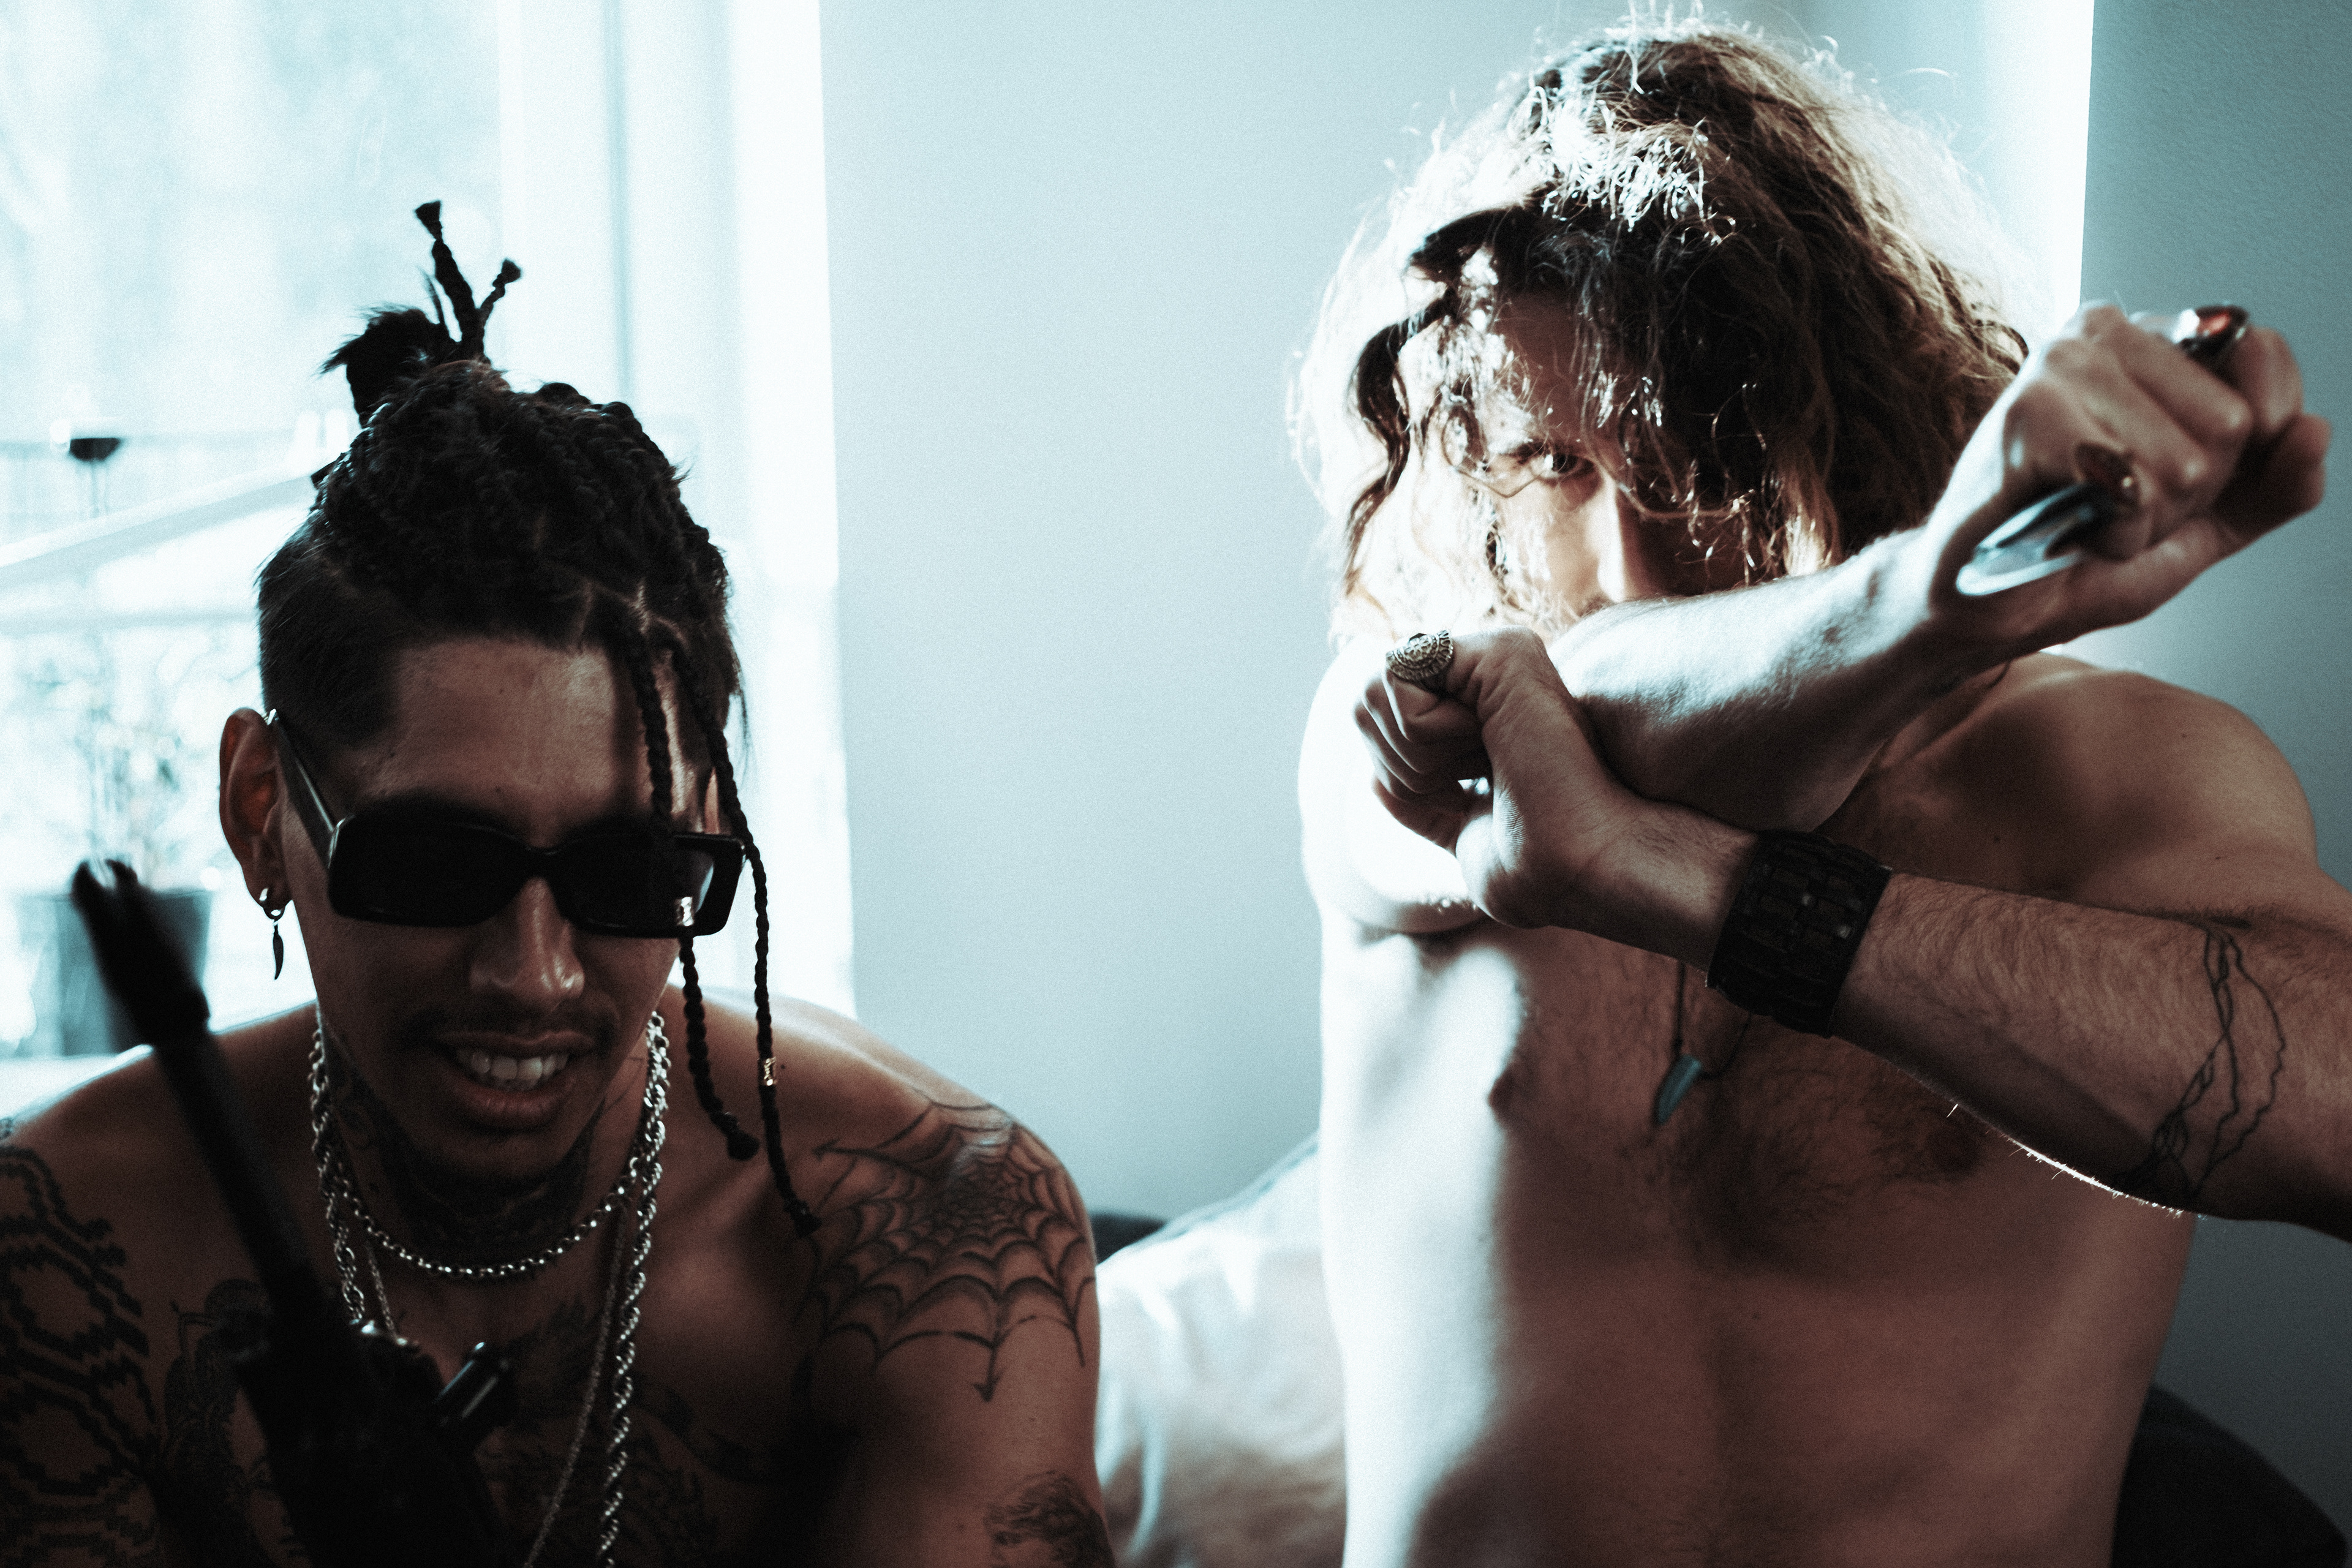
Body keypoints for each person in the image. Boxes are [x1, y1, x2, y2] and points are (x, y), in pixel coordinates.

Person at [1294, 22, 2340, 1568]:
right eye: (1554, 465)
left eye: (1689, 456)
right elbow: (1583, 711)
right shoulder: (1406, 726)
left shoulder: (2111, 773)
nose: (1630, 557)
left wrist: (1712, 888)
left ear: (1843, 408)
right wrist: (1926, 598)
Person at [0, 208, 1112, 1566]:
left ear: (712, 826)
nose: (533, 972)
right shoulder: (70, 1242)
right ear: (260, 814)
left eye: (629, 872)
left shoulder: (942, 1235)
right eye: (435, 864)